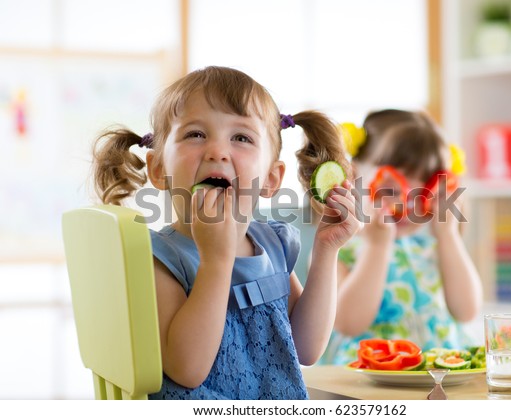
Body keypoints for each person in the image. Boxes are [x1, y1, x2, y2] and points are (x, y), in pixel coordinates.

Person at [91, 66, 362, 399]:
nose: (217, 151)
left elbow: (306, 348)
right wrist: (216, 261)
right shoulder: (159, 257)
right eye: (195, 134)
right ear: (159, 170)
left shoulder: (272, 245)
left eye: (241, 138)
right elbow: (187, 370)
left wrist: (326, 251)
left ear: (271, 180)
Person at [323, 109, 482, 365]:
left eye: (424, 193)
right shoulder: (339, 247)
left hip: (439, 372)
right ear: (353, 176)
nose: (407, 204)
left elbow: (467, 311)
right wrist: (377, 246)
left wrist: (449, 236)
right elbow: (347, 323)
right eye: (390, 189)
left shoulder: (435, 246)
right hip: (372, 375)